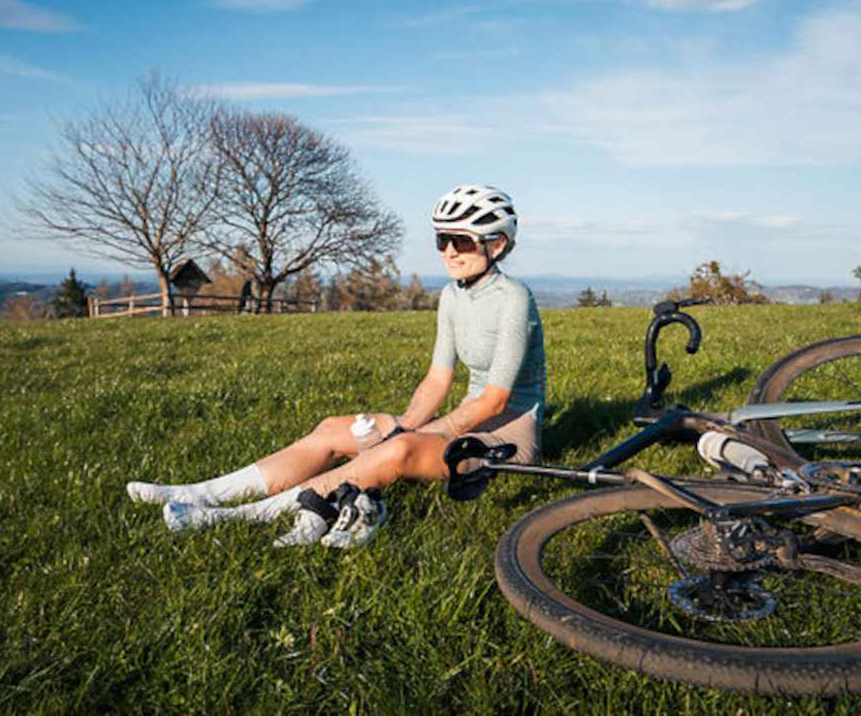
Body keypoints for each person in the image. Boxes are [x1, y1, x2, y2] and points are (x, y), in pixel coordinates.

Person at [126, 185, 546, 548]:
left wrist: (411, 436)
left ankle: (234, 516)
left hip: (505, 436)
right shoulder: (452, 296)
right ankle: (201, 492)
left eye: (463, 241)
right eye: (443, 239)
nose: (450, 251)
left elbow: (495, 401)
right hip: (465, 419)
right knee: (333, 428)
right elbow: (438, 378)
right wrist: (404, 422)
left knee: (396, 450)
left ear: (496, 245)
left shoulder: (514, 299)